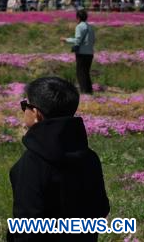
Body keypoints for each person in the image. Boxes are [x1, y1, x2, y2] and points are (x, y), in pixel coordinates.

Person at [8, 77, 109, 240]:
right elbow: (101, 209)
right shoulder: (89, 157)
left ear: (36, 114)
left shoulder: (32, 163)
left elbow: (27, 227)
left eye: (25, 105)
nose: (24, 109)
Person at [66, 9, 96, 94]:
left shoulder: (79, 26)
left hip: (82, 53)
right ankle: (89, 91)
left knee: (81, 72)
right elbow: (93, 40)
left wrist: (66, 39)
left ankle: (84, 91)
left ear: (78, 18)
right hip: (90, 52)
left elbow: (78, 40)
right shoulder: (90, 27)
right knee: (86, 72)